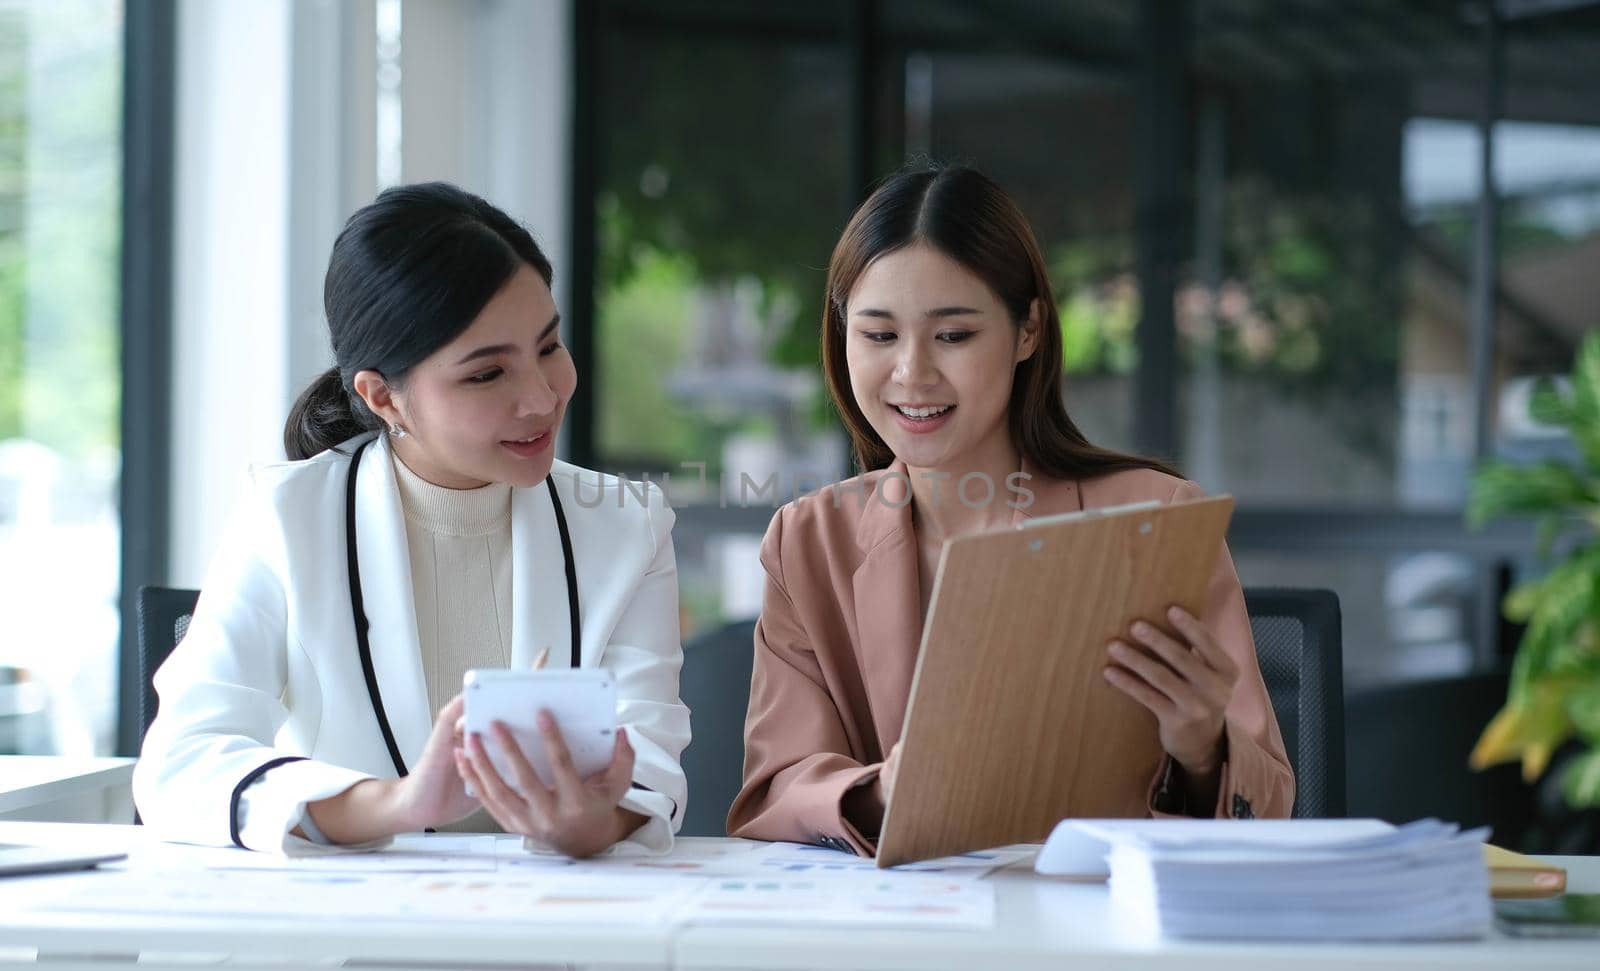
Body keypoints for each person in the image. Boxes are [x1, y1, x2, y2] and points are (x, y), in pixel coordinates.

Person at [728, 167, 1293, 856]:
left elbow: (1271, 808)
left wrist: (1203, 750)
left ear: (1028, 329)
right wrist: (882, 791)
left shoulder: (1156, 519)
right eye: (878, 336)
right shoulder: (808, 541)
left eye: (953, 335)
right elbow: (774, 790)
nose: (912, 373)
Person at [134, 183, 688, 857]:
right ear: (382, 395)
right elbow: (180, 764)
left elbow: (652, 763)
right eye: (487, 375)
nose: (542, 397)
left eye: (548, 347)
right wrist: (397, 802)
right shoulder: (285, 518)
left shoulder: (627, 528)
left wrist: (588, 823)